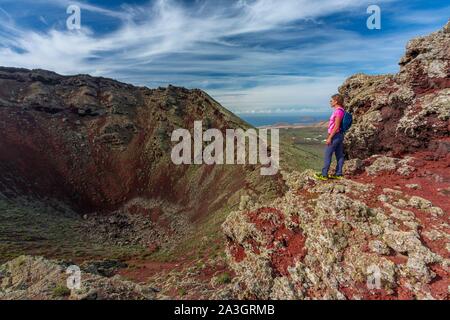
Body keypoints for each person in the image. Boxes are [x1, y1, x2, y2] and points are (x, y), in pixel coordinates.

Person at [315, 94, 346, 181]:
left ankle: (324, 175)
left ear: (336, 101)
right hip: (339, 135)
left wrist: (330, 137)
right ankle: (338, 174)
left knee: (327, 155)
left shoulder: (338, 111)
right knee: (339, 155)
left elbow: (336, 126)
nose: (330, 102)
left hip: (335, 136)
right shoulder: (341, 110)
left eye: (331, 100)